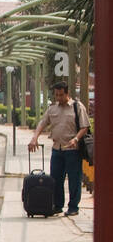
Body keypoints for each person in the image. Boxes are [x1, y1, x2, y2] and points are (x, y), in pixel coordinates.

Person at [27, 81, 90, 217]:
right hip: (57, 149)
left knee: (74, 179)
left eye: (61, 95)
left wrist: (76, 139)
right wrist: (34, 138)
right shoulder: (52, 109)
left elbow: (85, 126)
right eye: (56, 95)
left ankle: (73, 206)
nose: (59, 98)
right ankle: (58, 205)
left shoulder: (77, 107)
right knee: (55, 179)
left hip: (72, 150)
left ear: (67, 93)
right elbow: (42, 123)